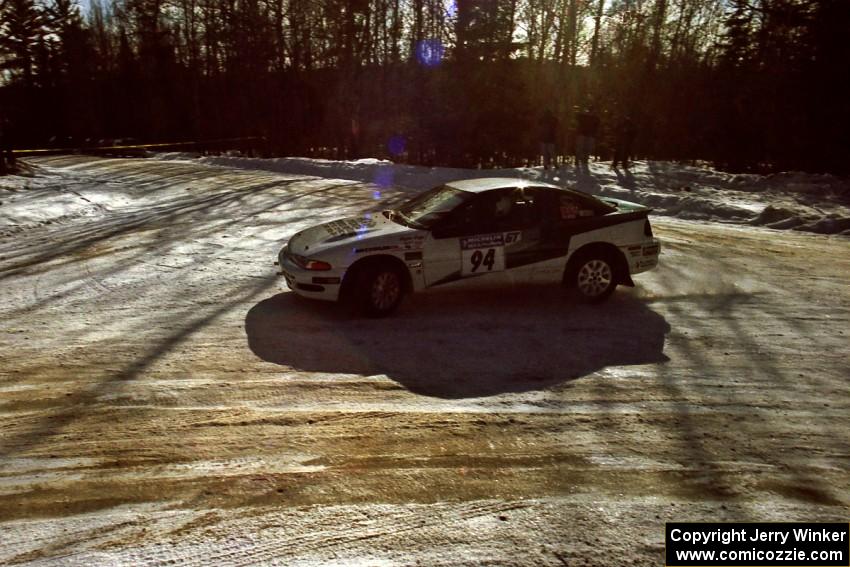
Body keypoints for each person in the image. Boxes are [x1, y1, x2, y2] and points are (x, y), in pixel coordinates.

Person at [575, 106, 600, 171]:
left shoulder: (595, 118)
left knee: (588, 148)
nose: (590, 113)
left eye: (592, 111)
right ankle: (577, 160)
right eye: (589, 111)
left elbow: (597, 126)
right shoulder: (583, 116)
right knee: (580, 148)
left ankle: (585, 160)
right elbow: (577, 117)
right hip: (582, 134)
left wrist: (595, 134)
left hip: (590, 135)